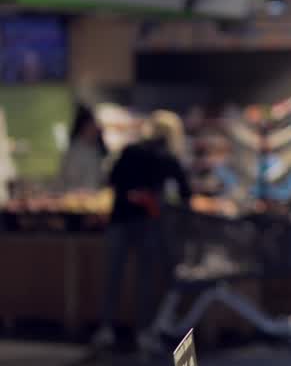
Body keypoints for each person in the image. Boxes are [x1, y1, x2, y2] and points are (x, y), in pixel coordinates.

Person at [92, 110, 192, 353]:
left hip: (119, 218)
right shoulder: (166, 156)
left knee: (113, 276)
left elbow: (112, 178)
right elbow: (185, 192)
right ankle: (143, 332)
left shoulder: (130, 151)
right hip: (148, 223)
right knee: (145, 280)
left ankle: (106, 328)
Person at [60, 105, 106, 191]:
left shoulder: (95, 149)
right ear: (83, 128)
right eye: (92, 126)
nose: (95, 130)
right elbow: (70, 179)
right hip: (77, 197)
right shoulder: (75, 151)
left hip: (93, 196)